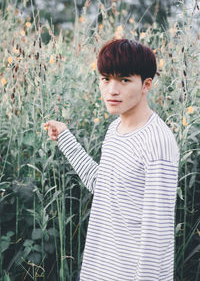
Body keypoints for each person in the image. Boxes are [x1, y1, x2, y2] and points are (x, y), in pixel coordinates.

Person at [44, 39, 179, 281]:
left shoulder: (157, 142)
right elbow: (101, 184)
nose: (112, 90)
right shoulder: (115, 129)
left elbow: (157, 234)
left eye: (124, 80)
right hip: (101, 268)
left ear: (146, 84)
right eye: (106, 79)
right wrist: (65, 137)